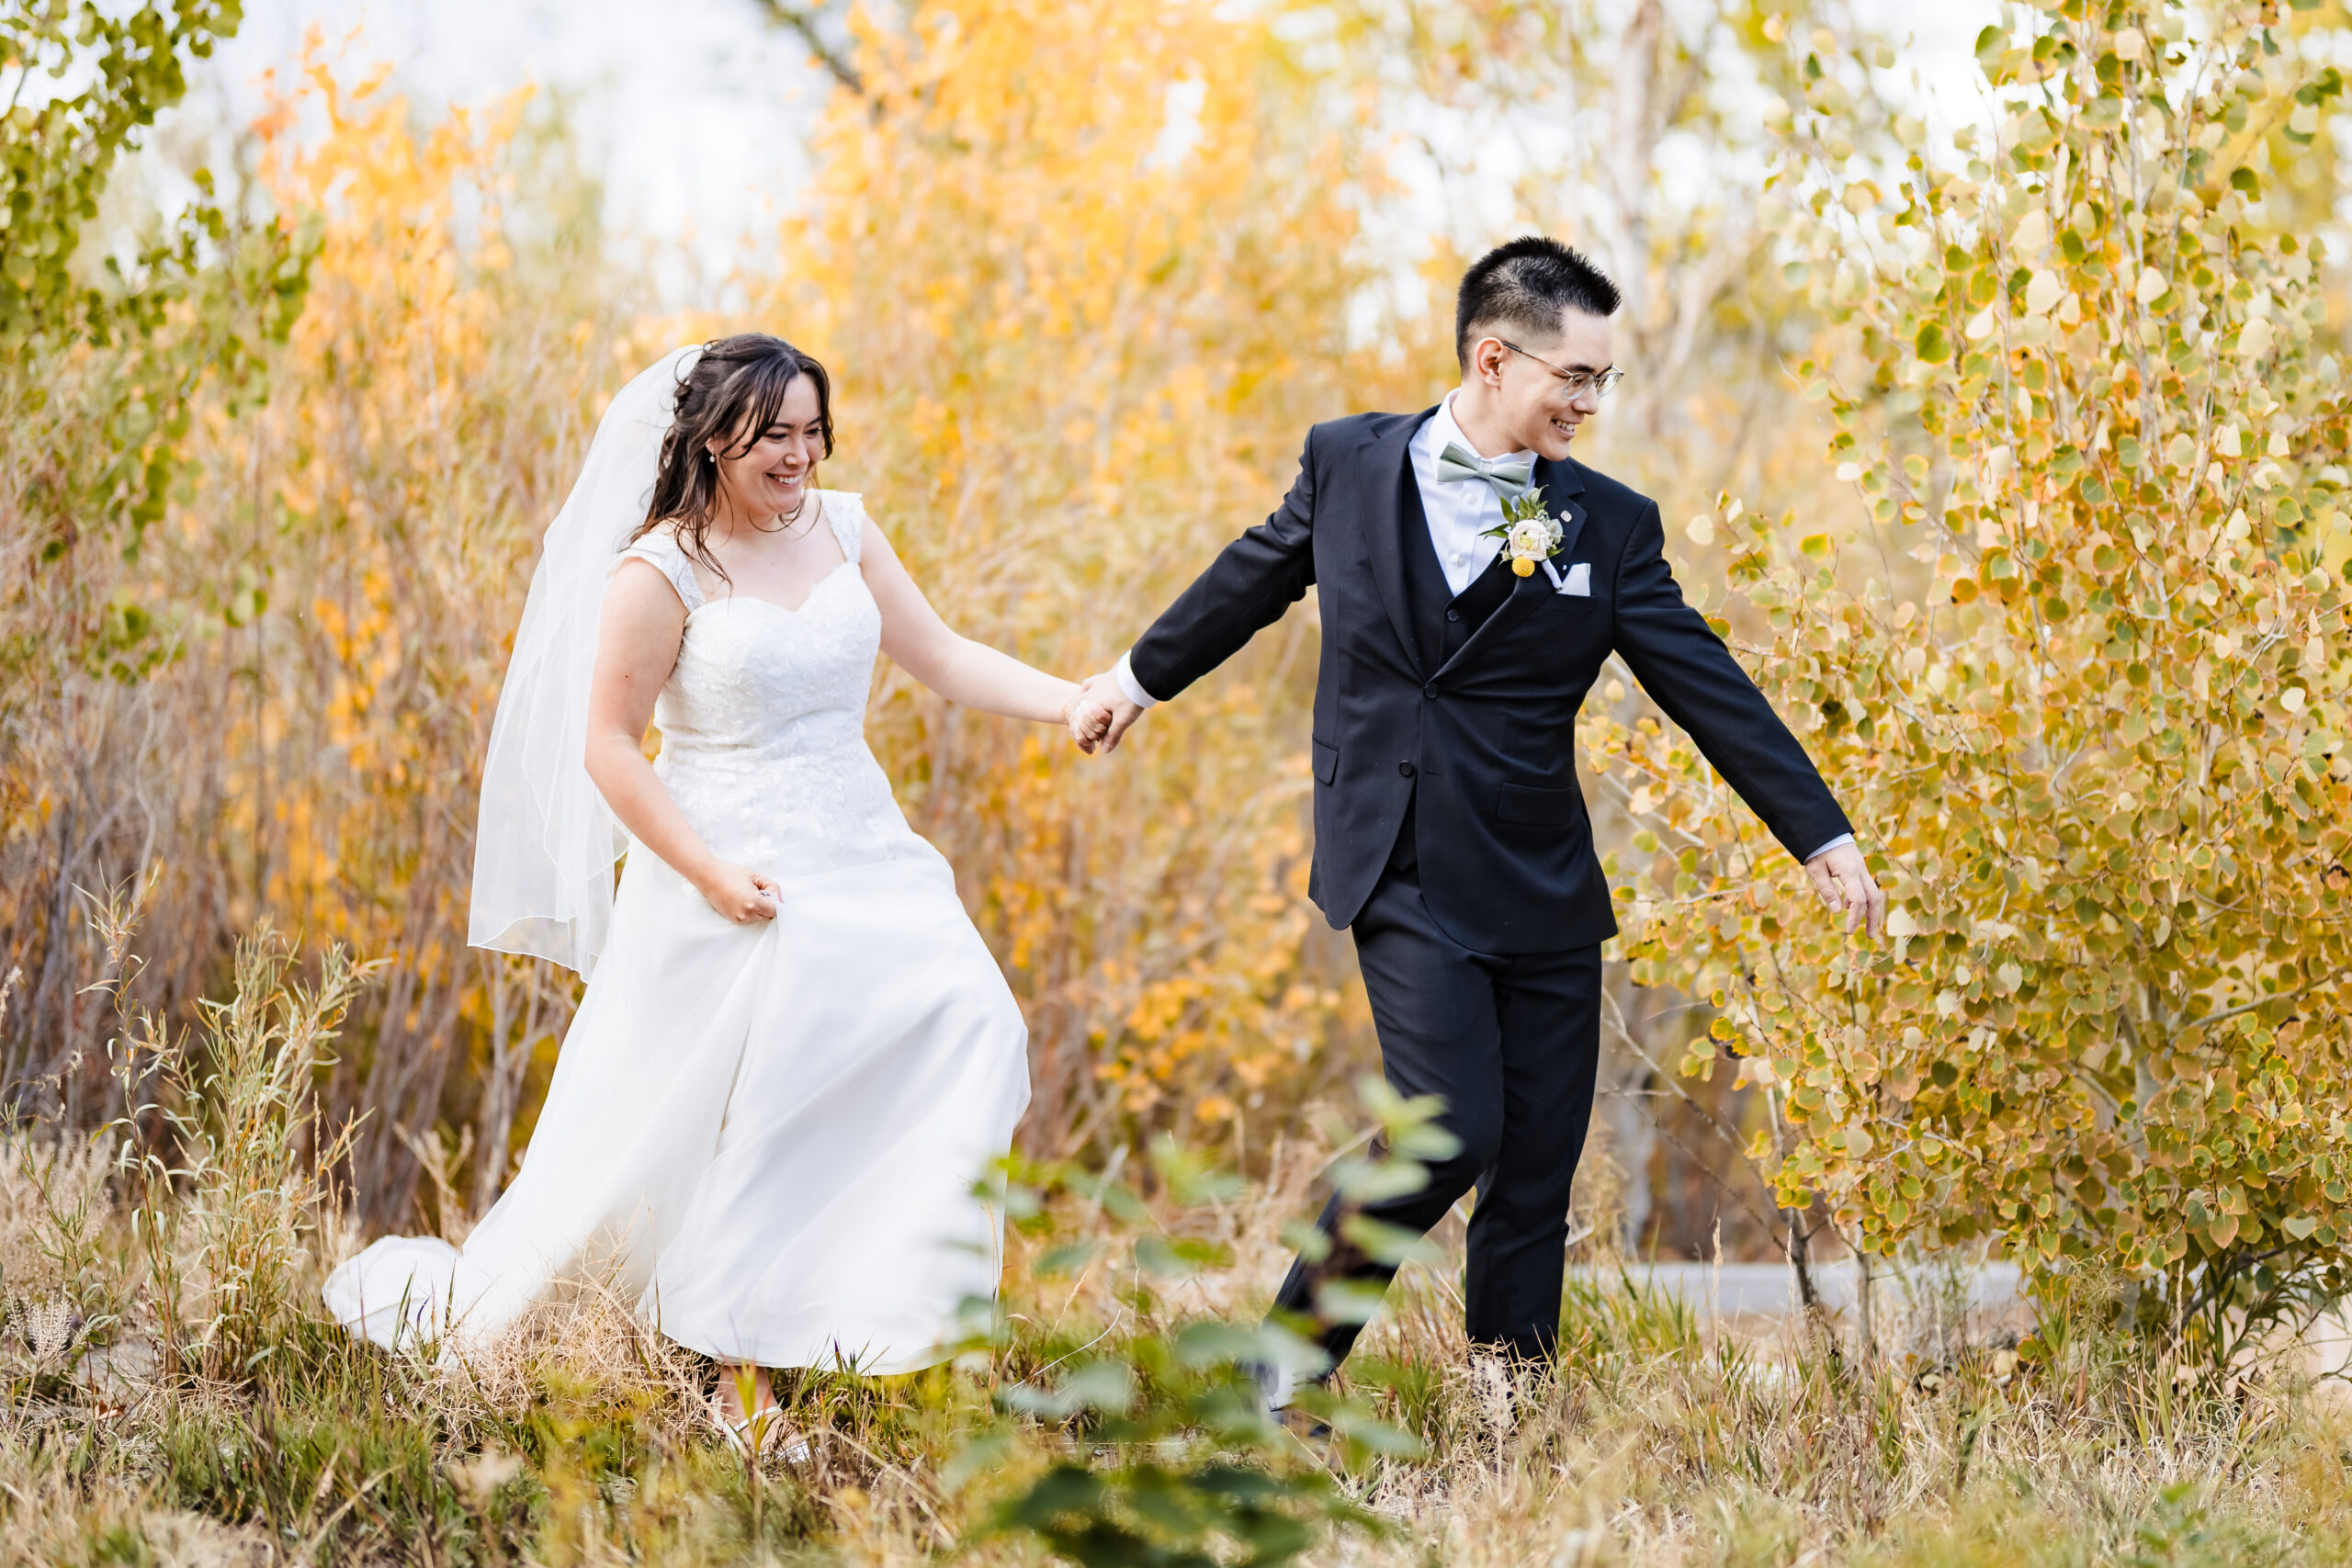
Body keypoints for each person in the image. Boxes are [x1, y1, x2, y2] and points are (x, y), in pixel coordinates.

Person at [1068, 237, 1884, 1400]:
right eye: (1576, 378)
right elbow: (1251, 576)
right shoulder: (1347, 463)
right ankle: (1278, 1381)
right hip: (1390, 858)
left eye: (1604, 381)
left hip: (1539, 876)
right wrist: (1134, 680)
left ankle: (1510, 1406)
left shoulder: (1607, 524)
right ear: (1494, 358)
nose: (1591, 403)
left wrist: (1819, 831)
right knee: (1448, 1127)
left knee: (1537, 1166)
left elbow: (1704, 683)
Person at [326, 335, 1065, 1444]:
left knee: (979, 1028)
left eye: (815, 431)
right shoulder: (659, 569)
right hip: (727, 868)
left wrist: (1075, 703)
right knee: (762, 1105)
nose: (801, 455)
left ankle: (893, 1313)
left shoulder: (846, 529)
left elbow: (947, 657)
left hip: (864, 849)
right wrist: (711, 872)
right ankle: (743, 1384)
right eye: (777, 435)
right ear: (717, 436)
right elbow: (611, 745)